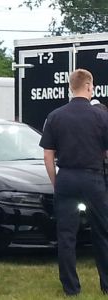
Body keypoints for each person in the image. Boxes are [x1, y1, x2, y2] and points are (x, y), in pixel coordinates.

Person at [39, 68, 108, 296]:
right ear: (89, 87)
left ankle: (71, 287)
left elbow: (48, 156)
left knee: (66, 235)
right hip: (92, 177)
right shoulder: (101, 115)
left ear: (70, 88)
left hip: (66, 176)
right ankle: (106, 283)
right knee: (102, 232)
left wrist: (56, 181)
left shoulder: (55, 116)